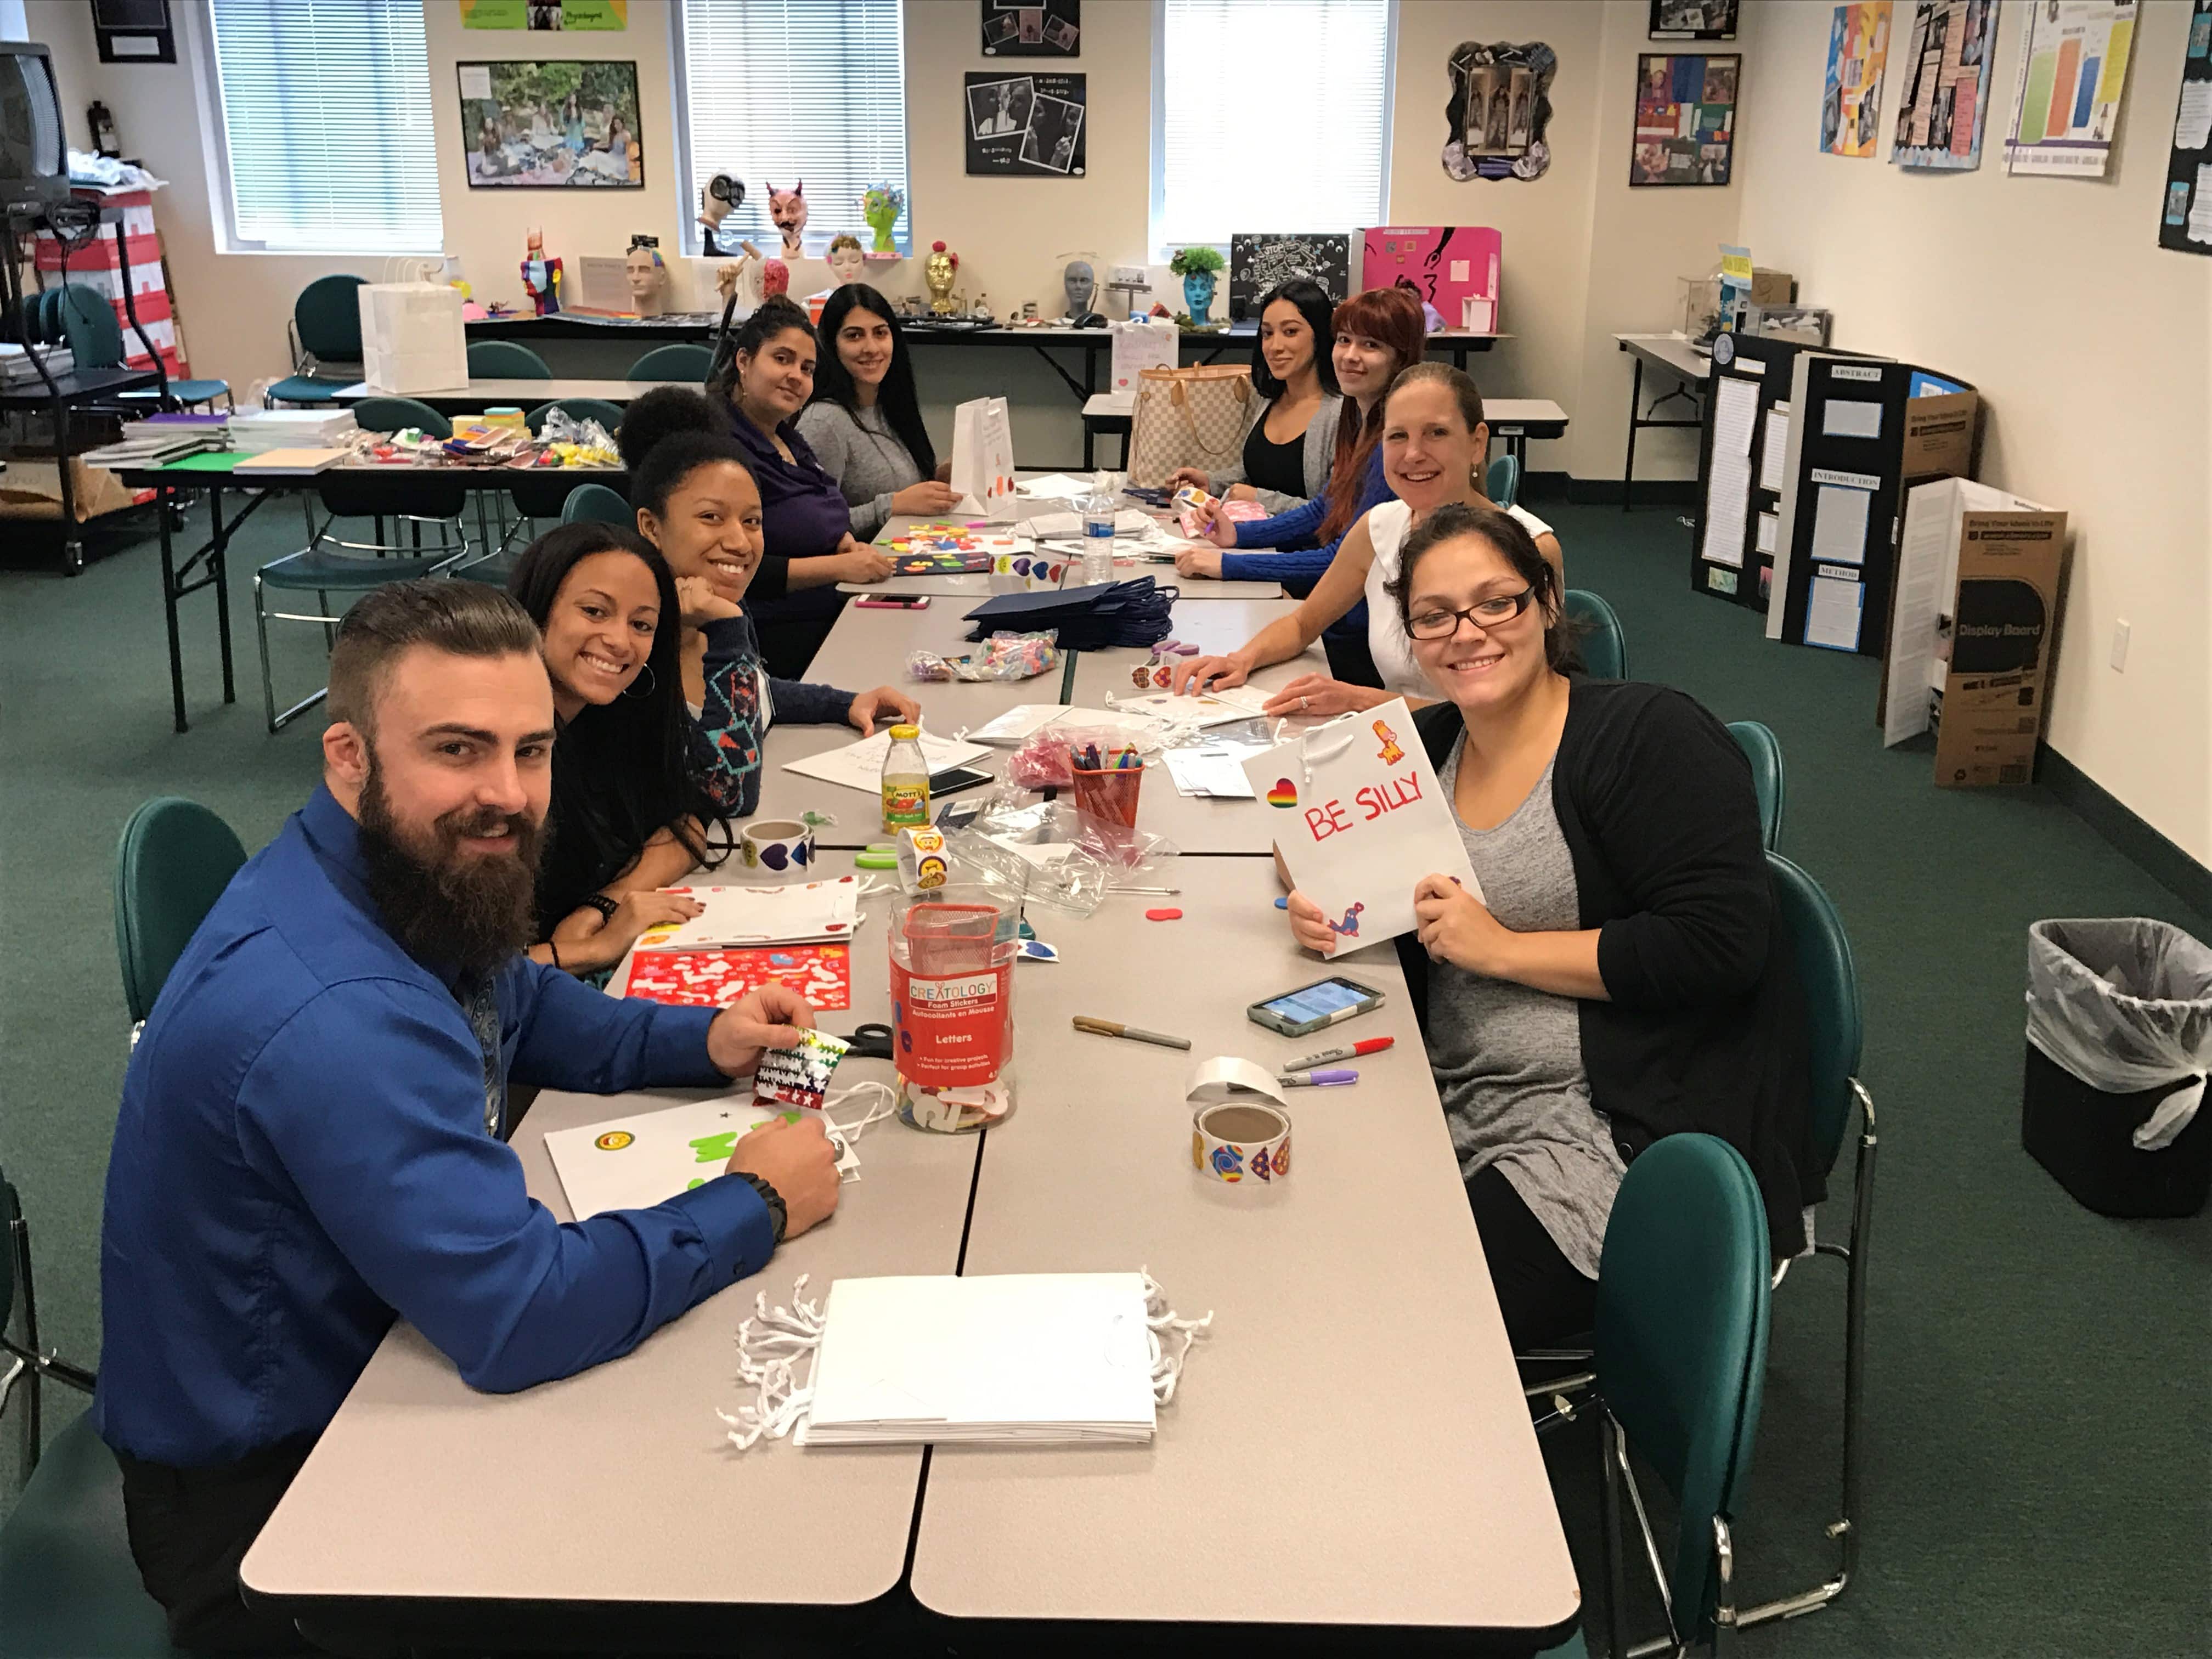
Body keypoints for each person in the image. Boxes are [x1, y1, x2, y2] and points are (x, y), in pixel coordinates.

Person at [93, 580, 842, 1654]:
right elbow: (519, 1313)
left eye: (530, 751)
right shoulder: (338, 1014)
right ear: (348, 757)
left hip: (375, 1369)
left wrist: (703, 1040)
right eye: (457, 749)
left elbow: (521, 1002)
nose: (507, 793)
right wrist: (756, 1202)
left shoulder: (389, 864)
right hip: (271, 1512)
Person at [1279, 503, 1817, 1346]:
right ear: (1411, 638)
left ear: (1546, 604)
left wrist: (1505, 950)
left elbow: (1723, 944)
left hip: (1602, 1137)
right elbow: (1321, 845)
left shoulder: (1648, 735)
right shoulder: (1432, 743)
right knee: (1279, 1234)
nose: (1467, 634)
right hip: (1444, 1096)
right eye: (1434, 617)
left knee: (1374, 1319)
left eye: (1496, 603)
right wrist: (1319, 897)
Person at [1172, 363, 1563, 719]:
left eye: (1436, 433)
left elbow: (1518, 712)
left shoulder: (1529, 547)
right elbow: (1303, 624)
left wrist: (1362, 701)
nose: (1413, 454)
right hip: (1401, 747)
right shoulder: (1379, 529)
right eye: (1397, 437)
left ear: (1477, 443)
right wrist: (1240, 660)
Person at [620, 388, 917, 816]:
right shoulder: (635, 654)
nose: (740, 542)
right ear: (651, 527)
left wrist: (843, 703)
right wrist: (727, 630)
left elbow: (754, 692)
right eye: (711, 518)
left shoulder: (712, 610)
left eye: (752, 521)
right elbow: (728, 794)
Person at [1171, 285, 1426, 686]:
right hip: (1334, 618)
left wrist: (1229, 564)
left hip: (1359, 641)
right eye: (1344, 340)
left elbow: (1343, 562)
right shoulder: (1359, 420)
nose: (1351, 355)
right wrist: (1238, 534)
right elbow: (1325, 507)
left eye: (1371, 345)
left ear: (1401, 358)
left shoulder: (1389, 444)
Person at [505, 522, 729, 977]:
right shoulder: (501, 756)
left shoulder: (606, 718)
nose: (621, 641)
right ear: (536, 611)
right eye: (594, 611)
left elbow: (686, 823)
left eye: (642, 624)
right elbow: (456, 978)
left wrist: (600, 907)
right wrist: (599, 946)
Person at [704, 295, 894, 678]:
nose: (797, 376)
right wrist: (840, 565)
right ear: (743, 361)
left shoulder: (786, 439)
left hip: (827, 610)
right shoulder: (722, 450)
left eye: (807, 368)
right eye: (782, 359)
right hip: (774, 634)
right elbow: (743, 569)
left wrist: (841, 540)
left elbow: (823, 505)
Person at [1165, 278, 1342, 514]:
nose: (1275, 346)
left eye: (1290, 332)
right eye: (1267, 334)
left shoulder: (1341, 415)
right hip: (1248, 539)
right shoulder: (1268, 400)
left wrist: (1260, 499)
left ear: (1319, 334)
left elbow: (1335, 512)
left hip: (1297, 548)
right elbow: (1256, 472)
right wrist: (1211, 482)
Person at [797, 283, 958, 538]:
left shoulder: (887, 406)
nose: (871, 348)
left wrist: (936, 481)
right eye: (854, 336)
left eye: (880, 333)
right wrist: (891, 506)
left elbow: (898, 490)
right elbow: (809, 526)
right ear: (831, 345)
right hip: (856, 571)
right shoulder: (824, 421)